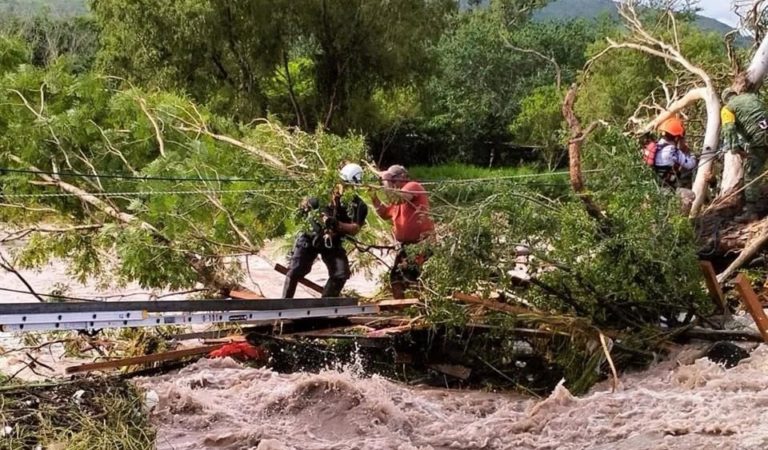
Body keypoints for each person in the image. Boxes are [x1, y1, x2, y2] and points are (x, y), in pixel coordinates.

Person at [281, 163, 368, 298]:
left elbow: (355, 228)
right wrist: (308, 207)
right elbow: (305, 205)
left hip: (332, 242)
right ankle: (284, 304)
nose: (345, 188)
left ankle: (325, 306)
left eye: (349, 186)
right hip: (311, 238)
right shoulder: (323, 193)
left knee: (340, 273)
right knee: (296, 270)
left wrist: (337, 225)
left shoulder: (358, 204)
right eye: (343, 184)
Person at [371, 164, 435, 299]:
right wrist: (373, 196)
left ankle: (420, 305)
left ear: (403, 177)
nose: (391, 184)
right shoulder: (397, 200)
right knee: (396, 278)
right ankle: (401, 306)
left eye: (393, 181)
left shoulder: (413, 187)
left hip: (422, 244)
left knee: (413, 277)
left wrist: (386, 180)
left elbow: (396, 198)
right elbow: (383, 213)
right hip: (407, 246)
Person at [720, 85, 768, 219]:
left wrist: (736, 150)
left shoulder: (727, 108)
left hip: (758, 140)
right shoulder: (751, 97)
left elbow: (729, 131)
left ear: (725, 99)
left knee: (751, 175)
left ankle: (751, 212)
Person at [649, 117, 697, 188]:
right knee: (693, 169)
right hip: (670, 185)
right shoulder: (672, 150)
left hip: (659, 182)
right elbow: (691, 164)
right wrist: (692, 154)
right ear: (676, 138)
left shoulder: (657, 146)